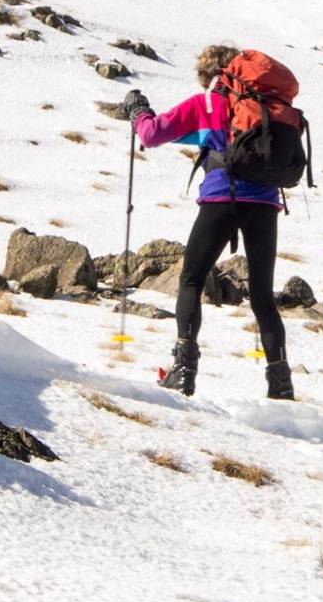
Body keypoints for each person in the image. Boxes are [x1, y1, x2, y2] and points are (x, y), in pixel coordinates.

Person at [122, 44, 295, 401]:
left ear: (210, 75)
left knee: (191, 280)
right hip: (265, 203)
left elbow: (152, 134)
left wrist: (139, 113)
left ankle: (184, 370)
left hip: (221, 200)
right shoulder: (263, 106)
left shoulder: (208, 104)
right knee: (263, 296)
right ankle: (281, 385)